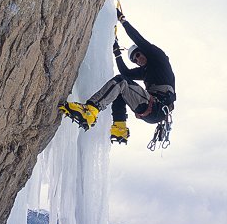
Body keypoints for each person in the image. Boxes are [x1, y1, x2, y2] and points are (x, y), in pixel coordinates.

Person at [59, 9, 176, 143]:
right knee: (121, 90)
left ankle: (90, 110)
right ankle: (119, 128)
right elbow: (126, 72)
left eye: (137, 55)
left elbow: (139, 40)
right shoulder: (145, 72)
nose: (137, 60)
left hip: (156, 105)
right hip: (152, 109)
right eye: (134, 60)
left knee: (121, 82)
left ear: (143, 51)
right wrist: (117, 51)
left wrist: (123, 20)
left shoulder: (159, 58)